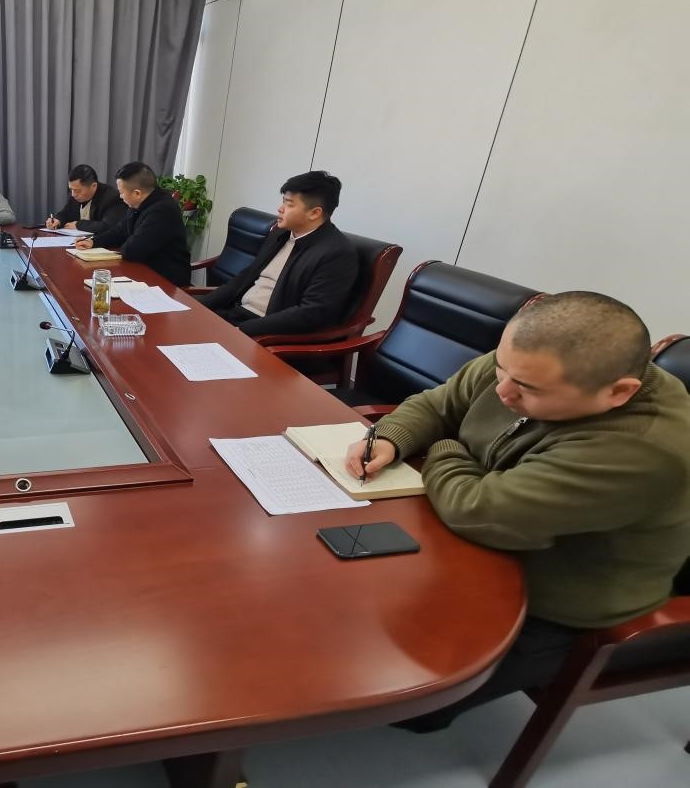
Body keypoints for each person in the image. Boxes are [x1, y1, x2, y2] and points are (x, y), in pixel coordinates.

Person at [343, 292, 690, 732]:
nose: (502, 391)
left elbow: (479, 511)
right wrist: (392, 437)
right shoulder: (528, 360)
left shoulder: (642, 449)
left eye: (527, 389)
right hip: (483, 542)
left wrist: (443, 447)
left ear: (618, 393)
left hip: (557, 601)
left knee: (416, 699)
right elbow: (439, 403)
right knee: (343, 598)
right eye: (501, 369)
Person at [197, 171, 358, 337]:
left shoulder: (337, 254)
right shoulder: (280, 233)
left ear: (314, 213)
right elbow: (246, 276)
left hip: (268, 332)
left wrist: (241, 331)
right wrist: (200, 306)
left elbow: (311, 313)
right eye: (283, 201)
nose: (280, 209)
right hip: (236, 313)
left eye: (289, 204)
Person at [74, 162, 190, 287]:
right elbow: (120, 230)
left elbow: (132, 250)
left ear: (137, 193)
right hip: (143, 270)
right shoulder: (138, 204)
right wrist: (94, 241)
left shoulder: (162, 210)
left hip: (166, 280)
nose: (120, 196)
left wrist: (124, 243)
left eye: (121, 192)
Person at [44, 164, 127, 235]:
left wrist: (79, 225)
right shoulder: (75, 194)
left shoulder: (112, 197)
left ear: (93, 186)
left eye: (78, 191)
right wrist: (57, 220)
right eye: (71, 189)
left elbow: (108, 226)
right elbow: (66, 213)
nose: (73, 194)